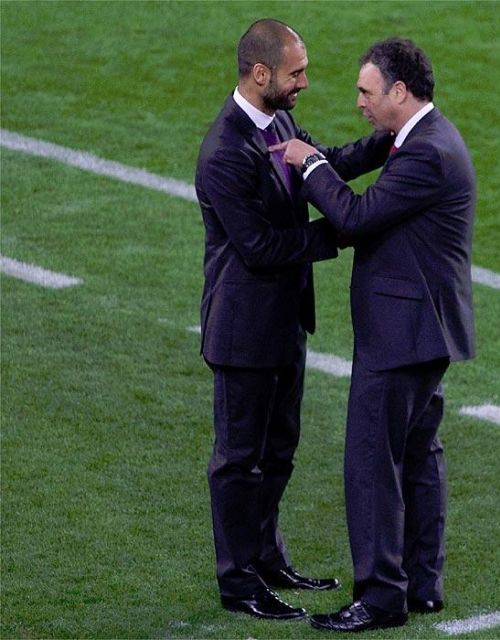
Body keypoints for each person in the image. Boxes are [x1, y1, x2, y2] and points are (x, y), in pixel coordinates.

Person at [272, 37, 476, 632]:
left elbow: (355, 217)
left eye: (366, 92)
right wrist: (315, 155)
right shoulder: (417, 136)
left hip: (401, 334)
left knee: (372, 461)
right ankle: (422, 583)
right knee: (418, 456)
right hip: (424, 330)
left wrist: (307, 165)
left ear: (399, 91)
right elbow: (355, 160)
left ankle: (383, 595)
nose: (359, 102)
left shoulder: (425, 153)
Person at [195, 19, 393, 621]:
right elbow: (258, 247)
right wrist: (341, 231)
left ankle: (266, 557)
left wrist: (388, 139)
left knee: (279, 450)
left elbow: (321, 163)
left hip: (284, 322)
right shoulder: (225, 151)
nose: (304, 82)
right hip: (243, 331)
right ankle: (238, 582)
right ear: (261, 74)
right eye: (296, 73)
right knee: (239, 459)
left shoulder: (276, 122)